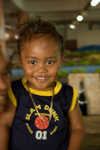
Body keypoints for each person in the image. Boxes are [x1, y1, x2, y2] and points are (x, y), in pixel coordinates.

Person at [0, 17, 85, 150]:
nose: (41, 70)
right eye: (32, 62)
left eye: (50, 62)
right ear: (20, 61)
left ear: (61, 60)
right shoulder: (15, 91)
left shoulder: (68, 94)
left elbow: (78, 128)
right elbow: (4, 124)